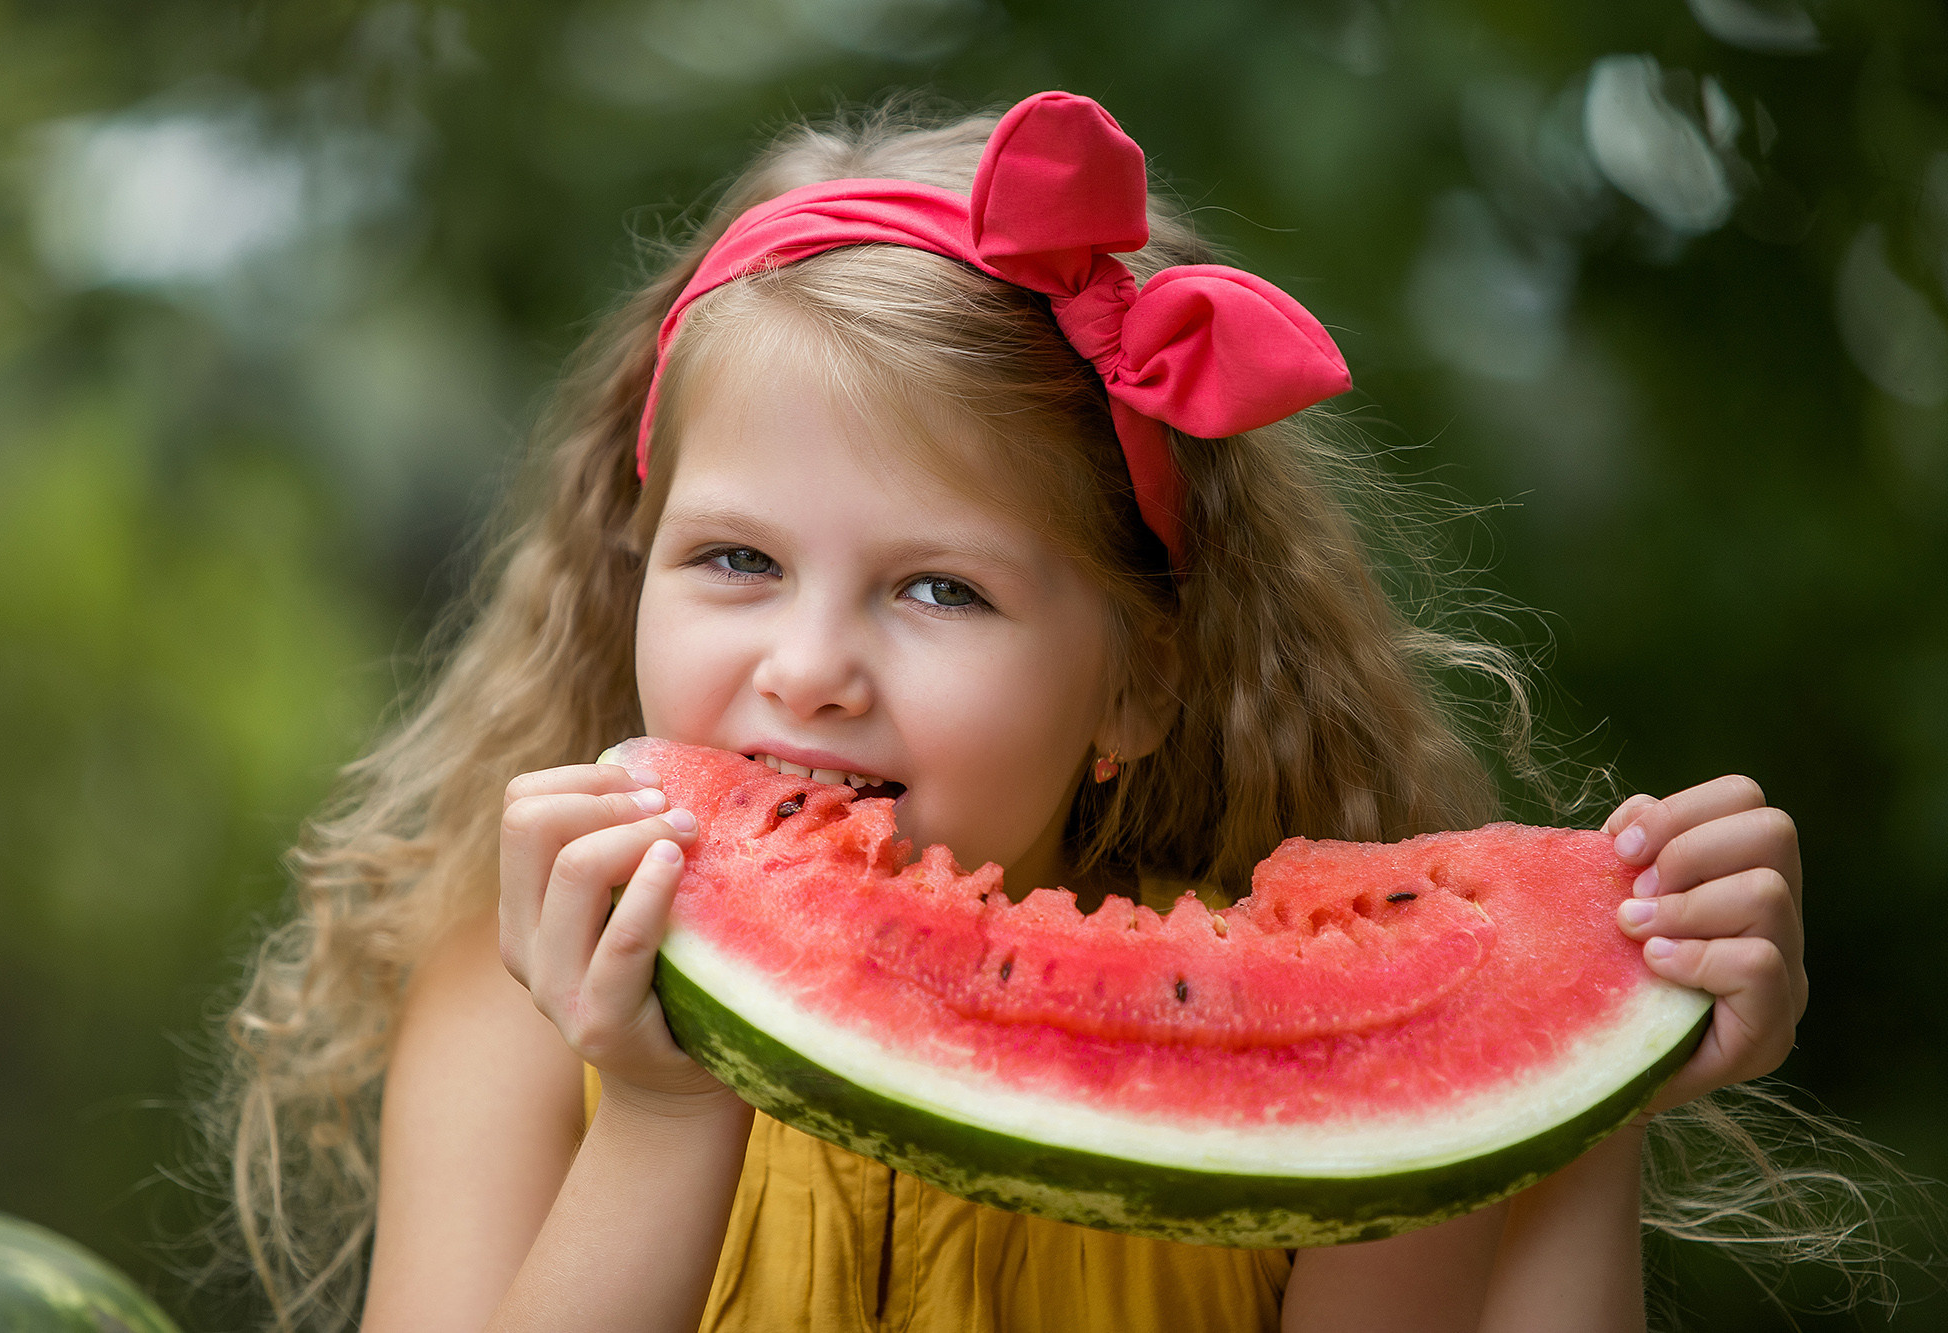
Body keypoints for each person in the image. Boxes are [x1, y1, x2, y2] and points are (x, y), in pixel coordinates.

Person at [213, 93, 1806, 1332]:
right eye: (735, 560)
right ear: (630, 572)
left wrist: (1576, 1080)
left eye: (939, 591)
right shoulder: (519, 1004)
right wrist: (659, 1102)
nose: (810, 664)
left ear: (1138, 676)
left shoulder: (1308, 1035)